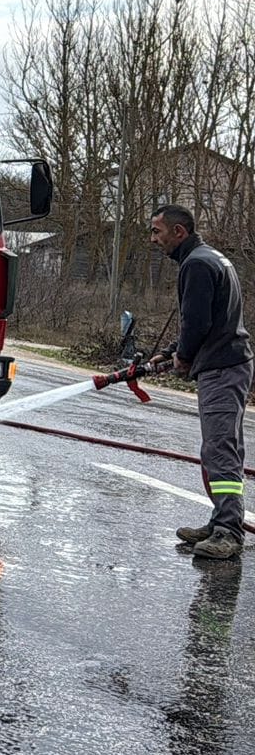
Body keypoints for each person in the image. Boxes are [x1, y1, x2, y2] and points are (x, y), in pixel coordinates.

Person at [151, 204, 253, 559]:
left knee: (220, 449)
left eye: (157, 232)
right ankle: (220, 520)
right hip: (226, 363)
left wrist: (184, 355)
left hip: (222, 368)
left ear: (179, 232)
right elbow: (211, 317)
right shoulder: (211, 258)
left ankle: (228, 532)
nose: (154, 239)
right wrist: (172, 350)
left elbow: (197, 322)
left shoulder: (196, 264)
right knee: (219, 448)